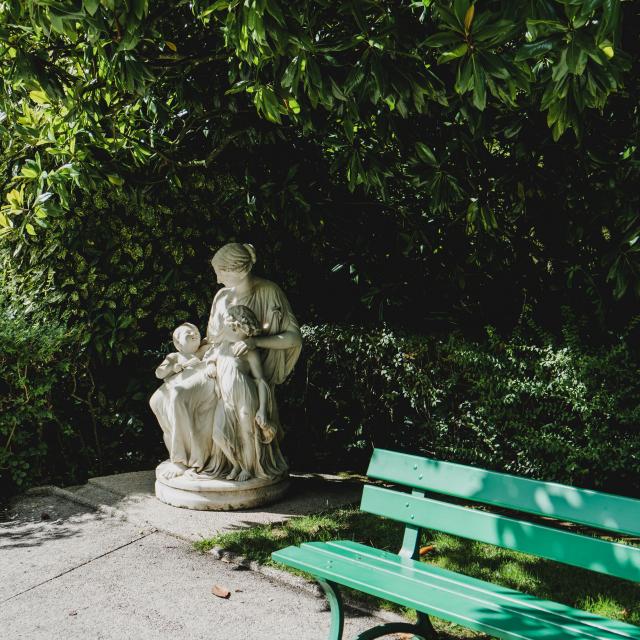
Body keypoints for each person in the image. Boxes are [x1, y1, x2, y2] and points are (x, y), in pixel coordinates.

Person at [198, 242, 302, 479]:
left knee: (242, 419)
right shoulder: (222, 297)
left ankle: (249, 465)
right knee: (170, 396)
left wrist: (256, 343)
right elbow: (211, 340)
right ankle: (192, 461)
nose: (216, 280)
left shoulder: (269, 291)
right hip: (217, 366)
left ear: (240, 270)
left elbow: (293, 337)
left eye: (220, 273)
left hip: (246, 375)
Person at [207, 305, 277, 481]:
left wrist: (262, 410)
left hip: (245, 395)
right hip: (226, 398)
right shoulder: (222, 346)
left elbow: (260, 380)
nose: (229, 330)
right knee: (218, 434)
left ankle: (248, 468)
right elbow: (211, 357)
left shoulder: (248, 350)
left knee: (247, 433)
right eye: (230, 327)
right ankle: (236, 464)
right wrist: (210, 365)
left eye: (235, 328)